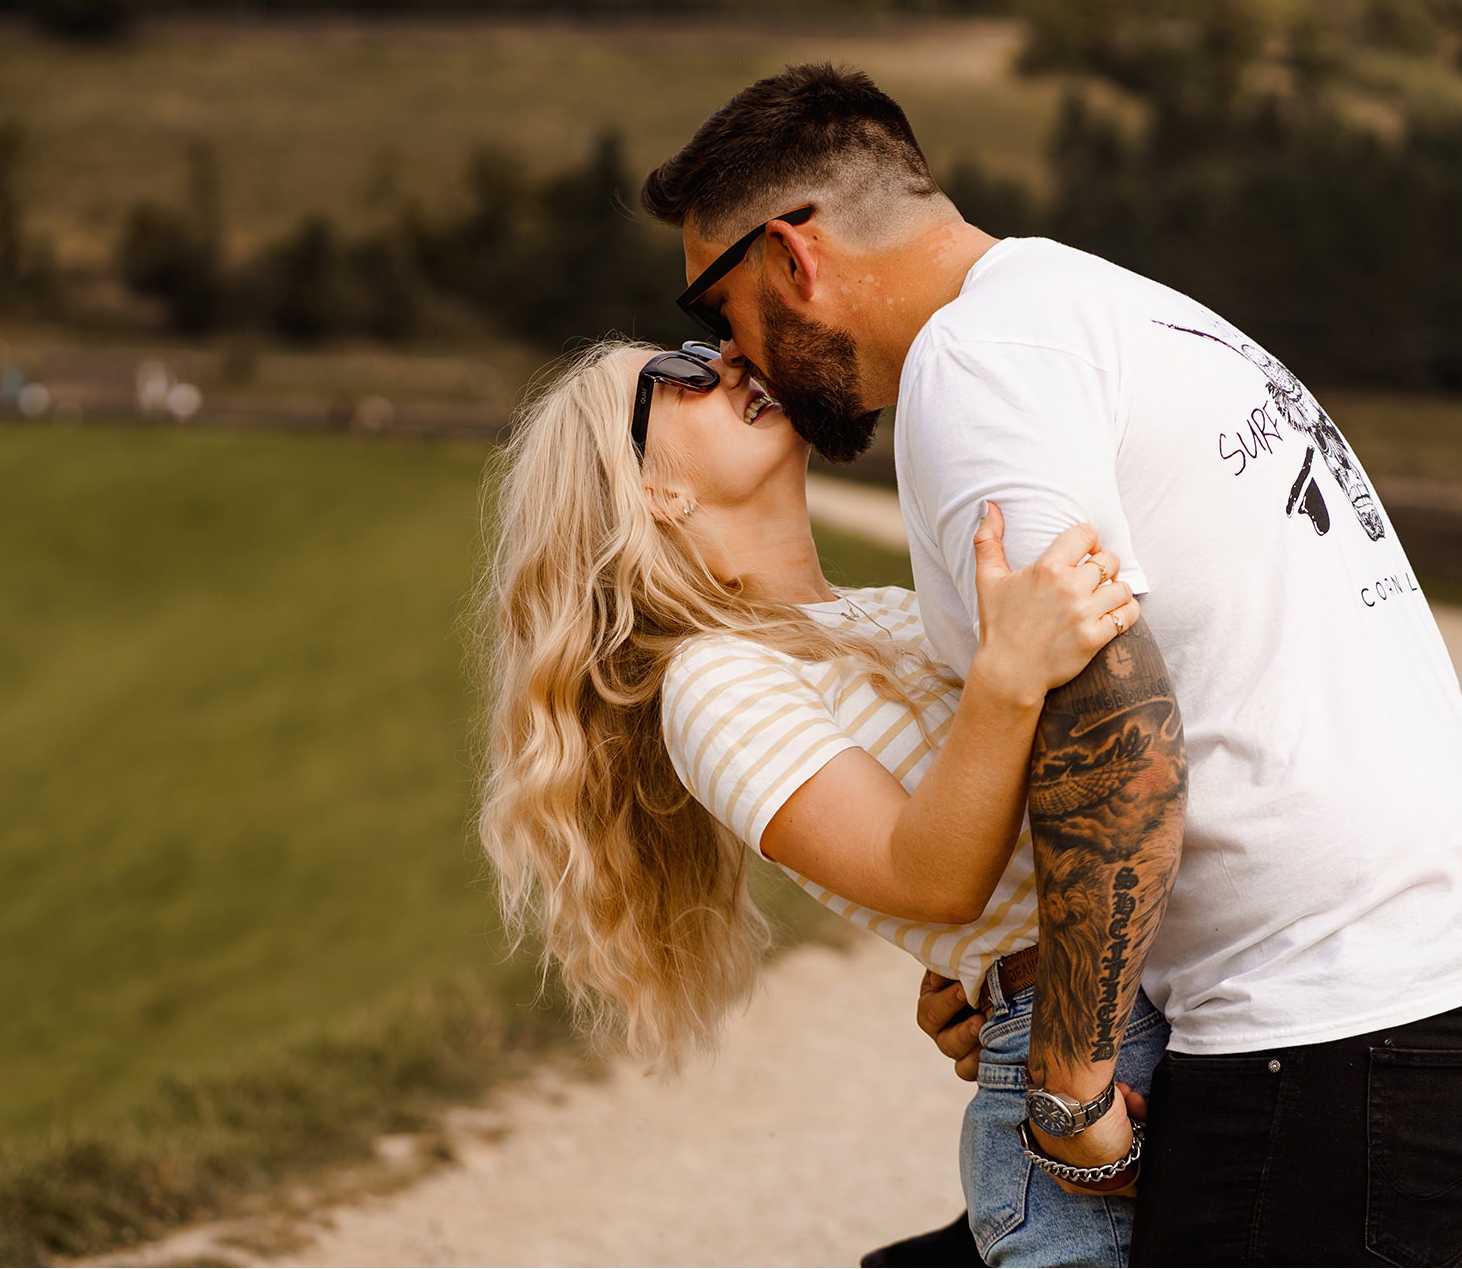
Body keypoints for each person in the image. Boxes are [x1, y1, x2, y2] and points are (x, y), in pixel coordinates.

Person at [641, 64, 1462, 1267]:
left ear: (791, 258)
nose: (728, 349)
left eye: (712, 302)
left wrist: (1067, 1070)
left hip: (1341, 1020)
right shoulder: (1103, 304)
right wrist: (1015, 974)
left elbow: (1118, 723)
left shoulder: (972, 370)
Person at [476, 337, 1163, 1267]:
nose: (722, 358)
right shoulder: (712, 684)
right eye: (673, 376)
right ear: (652, 492)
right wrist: (1008, 674)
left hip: (1137, 1006)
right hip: (1081, 1063)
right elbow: (931, 881)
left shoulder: (883, 611)